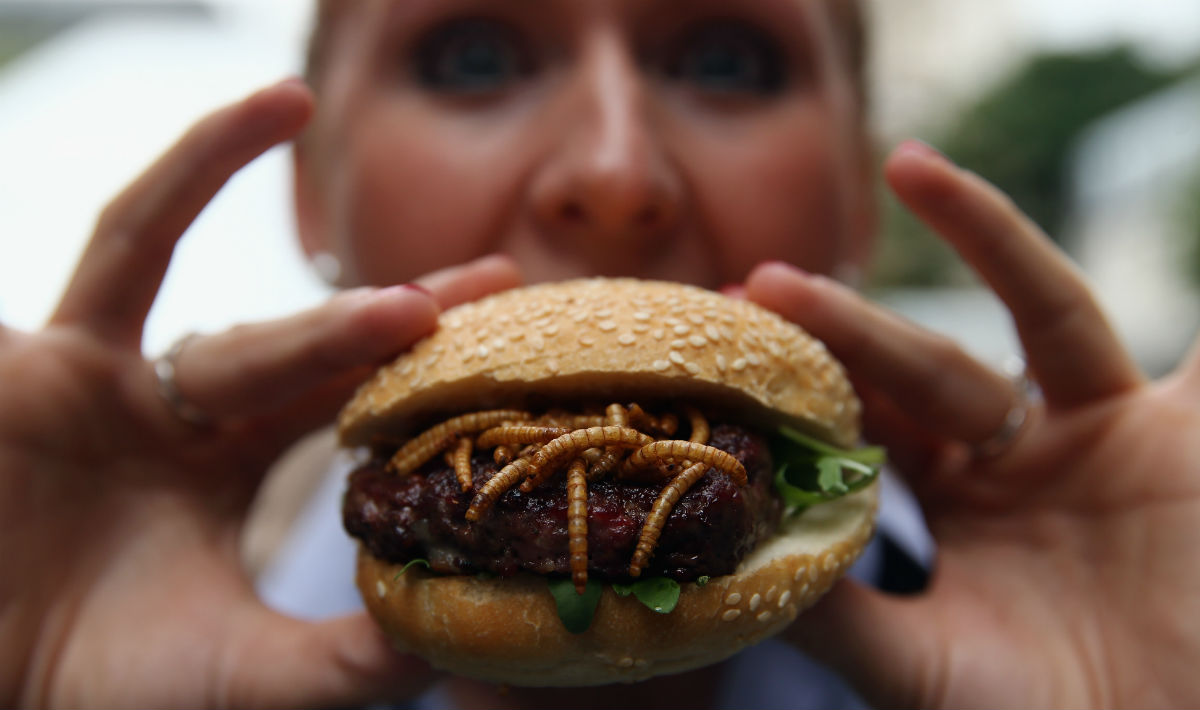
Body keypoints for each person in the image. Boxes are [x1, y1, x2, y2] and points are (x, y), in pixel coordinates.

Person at [3, 0, 1199, 707]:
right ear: (311, 200)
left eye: (726, 59)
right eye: (474, 56)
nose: (615, 176)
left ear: (855, 194)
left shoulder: (1105, 606)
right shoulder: (77, 606)